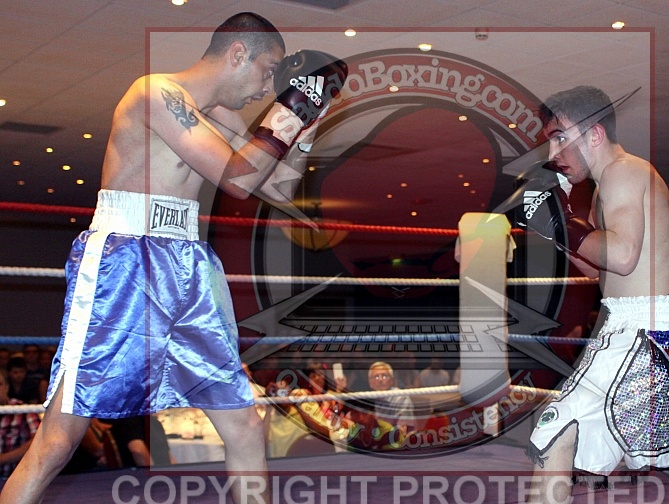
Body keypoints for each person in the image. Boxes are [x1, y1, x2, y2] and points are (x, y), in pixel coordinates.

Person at [0, 12, 346, 504]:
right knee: (59, 439)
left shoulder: (219, 114)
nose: (268, 87)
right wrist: (286, 112)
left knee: (246, 425)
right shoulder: (155, 93)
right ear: (238, 53)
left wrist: (307, 123)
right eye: (268, 70)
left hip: (188, 264)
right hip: (127, 261)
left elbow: (279, 188)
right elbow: (239, 179)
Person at [523, 85, 669, 503]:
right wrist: (554, 229)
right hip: (659, 326)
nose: (552, 153)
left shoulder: (623, 172)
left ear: (594, 134)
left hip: (643, 327)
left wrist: (560, 221)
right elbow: (601, 271)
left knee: (555, 428)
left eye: (560, 137)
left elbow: (621, 256)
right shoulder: (607, 188)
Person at [0, 370, 40, 478]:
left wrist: (3, 458)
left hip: (17, 477)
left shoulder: (22, 410)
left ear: (6, 387)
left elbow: (39, 439)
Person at [368, 362, 415, 436]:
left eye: (384, 376)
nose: (380, 380)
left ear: (391, 381)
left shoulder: (401, 397)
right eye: (376, 377)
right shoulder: (366, 399)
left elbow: (402, 431)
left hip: (397, 439)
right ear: (370, 383)